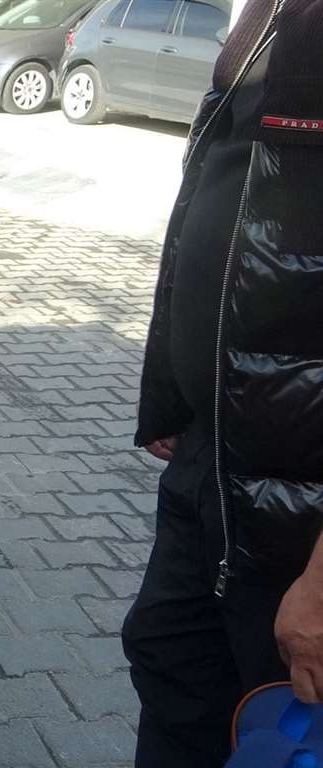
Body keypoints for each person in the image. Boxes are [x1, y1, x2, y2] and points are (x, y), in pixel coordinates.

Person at [123, 0, 323, 765]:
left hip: (299, 519)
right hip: (212, 463)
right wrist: (174, 393)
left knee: (279, 732)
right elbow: (214, 212)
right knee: (171, 671)